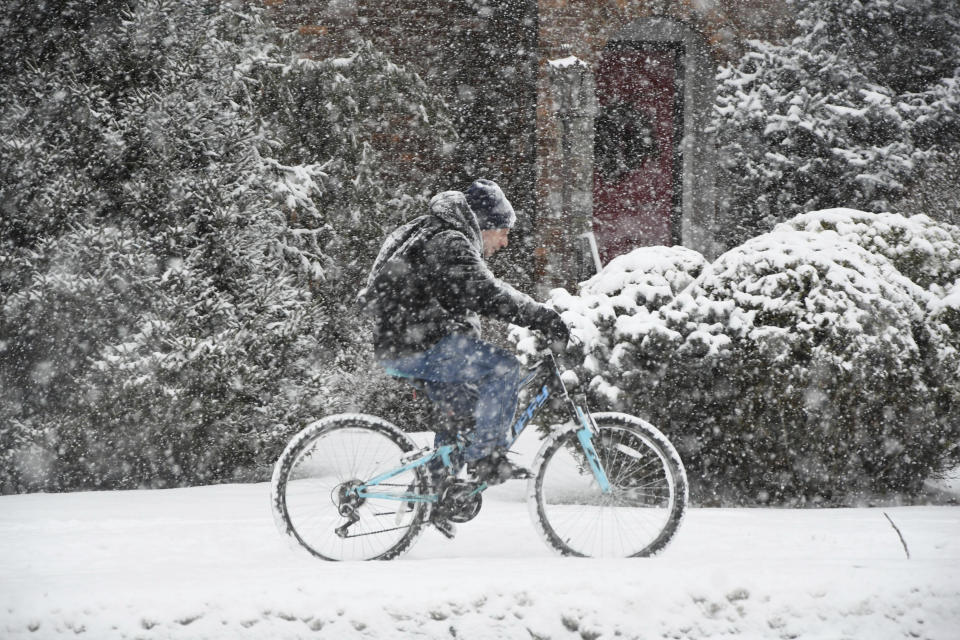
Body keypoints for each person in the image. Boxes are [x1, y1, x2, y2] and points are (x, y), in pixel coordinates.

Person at [359, 179, 569, 487]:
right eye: (504, 231)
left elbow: (459, 301)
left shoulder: (438, 235)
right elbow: (487, 294)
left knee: (463, 413)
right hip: (417, 344)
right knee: (504, 368)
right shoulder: (451, 241)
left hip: (405, 344)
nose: (505, 242)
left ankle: (437, 493)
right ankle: (487, 459)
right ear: (485, 225)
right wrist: (543, 318)